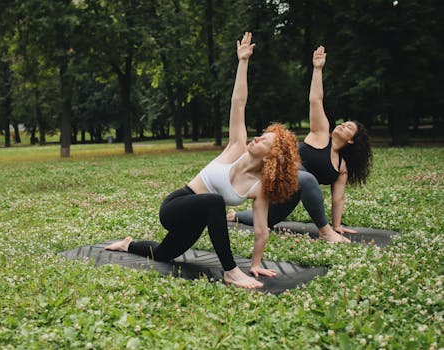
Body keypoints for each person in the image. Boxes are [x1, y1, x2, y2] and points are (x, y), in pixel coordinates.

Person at [105, 32, 300, 289]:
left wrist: (255, 263)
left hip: (199, 218)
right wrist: (243, 62)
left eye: (265, 140)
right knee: (214, 201)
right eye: (260, 135)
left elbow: (261, 229)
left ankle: (127, 243)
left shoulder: (258, 187)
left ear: (273, 155)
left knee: (164, 254)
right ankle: (230, 271)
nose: (256, 138)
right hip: (176, 206)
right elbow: (238, 102)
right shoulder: (235, 148)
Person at [228, 46, 372, 243]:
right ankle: (324, 232)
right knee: (308, 179)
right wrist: (318, 69)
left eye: (347, 127)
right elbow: (316, 100)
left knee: (268, 218)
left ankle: (234, 215)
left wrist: (338, 225)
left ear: (351, 140)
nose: (341, 125)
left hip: (288, 195)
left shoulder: (341, 166)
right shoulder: (321, 133)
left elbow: (338, 198)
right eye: (343, 123)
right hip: (276, 178)